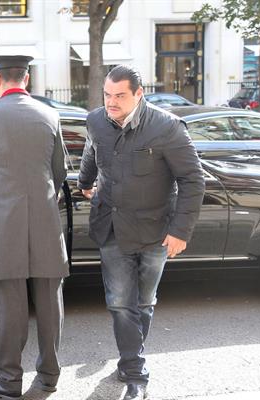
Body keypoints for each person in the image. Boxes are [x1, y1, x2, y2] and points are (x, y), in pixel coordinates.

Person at [78, 65, 205, 400]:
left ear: (138, 94)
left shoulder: (167, 127)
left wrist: (181, 230)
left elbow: (193, 179)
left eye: (119, 95)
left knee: (144, 302)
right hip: (111, 227)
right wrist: (84, 183)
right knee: (121, 302)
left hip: (155, 231)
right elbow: (91, 153)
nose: (111, 102)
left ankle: (130, 356)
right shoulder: (95, 121)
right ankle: (135, 370)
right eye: (107, 94)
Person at [0, 55, 69, 398]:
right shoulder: (50, 115)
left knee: (10, 303)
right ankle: (49, 375)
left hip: (4, 220)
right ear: (27, 79)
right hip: (44, 216)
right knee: (50, 300)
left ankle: (9, 380)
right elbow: (60, 172)